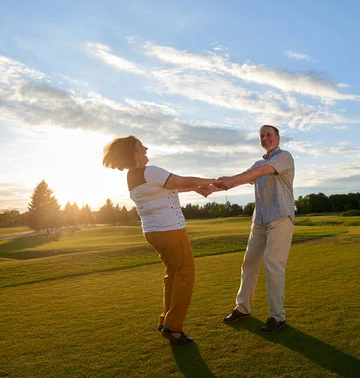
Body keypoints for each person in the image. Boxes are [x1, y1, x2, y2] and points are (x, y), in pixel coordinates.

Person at [102, 135, 220, 345]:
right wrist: (215, 181)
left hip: (153, 233)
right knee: (186, 274)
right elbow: (181, 181)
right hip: (171, 230)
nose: (146, 148)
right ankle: (173, 327)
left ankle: (166, 320)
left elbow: (172, 186)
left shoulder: (134, 176)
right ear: (133, 152)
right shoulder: (151, 171)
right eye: (141, 146)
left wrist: (194, 187)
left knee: (173, 274)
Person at [215, 125, 295, 333]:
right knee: (249, 263)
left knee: (273, 264)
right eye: (262, 136)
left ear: (277, 138)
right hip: (259, 219)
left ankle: (277, 317)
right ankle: (243, 308)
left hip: (280, 216)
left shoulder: (285, 156)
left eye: (269, 134)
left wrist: (232, 180)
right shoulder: (258, 163)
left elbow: (261, 172)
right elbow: (245, 176)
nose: (265, 138)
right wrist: (213, 185)